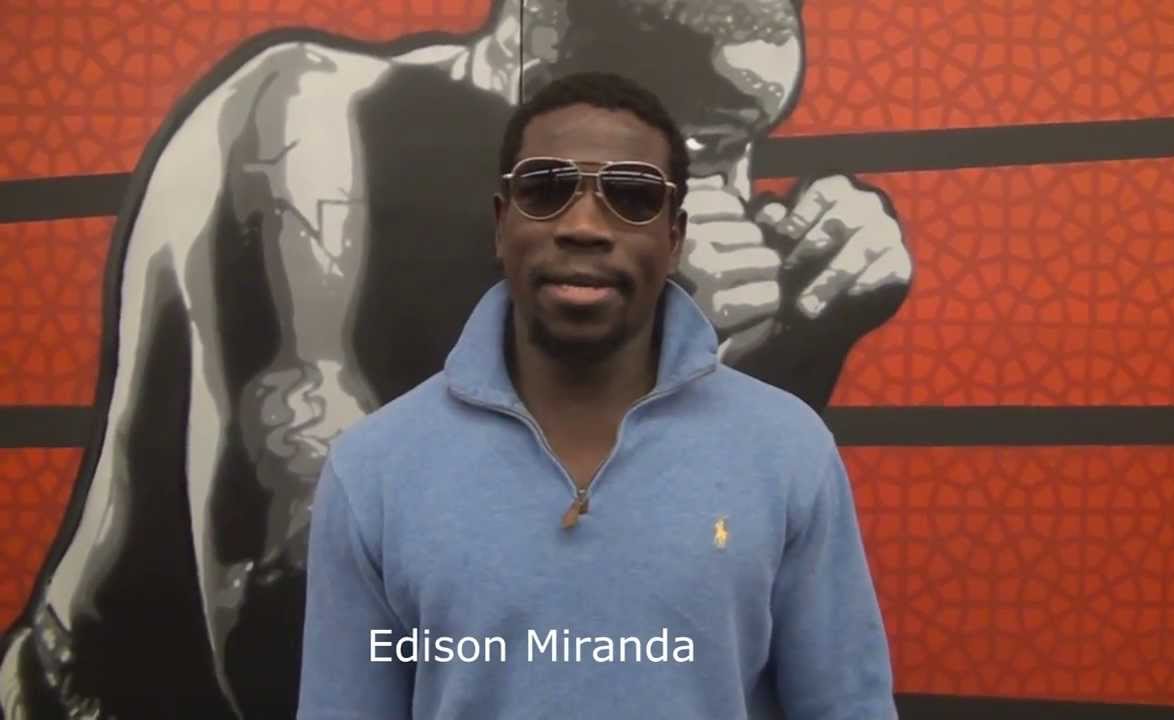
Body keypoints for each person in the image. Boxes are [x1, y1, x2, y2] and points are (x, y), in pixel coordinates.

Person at [1, 1, 911, 717]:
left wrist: (790, 349)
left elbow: (660, 599)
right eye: (701, 150)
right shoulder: (309, 128)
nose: (734, 201)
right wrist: (645, 336)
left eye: (743, 149)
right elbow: (281, 648)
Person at [297, 70, 896, 720]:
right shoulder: (376, 470)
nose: (583, 226)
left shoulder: (788, 451)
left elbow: (847, 707)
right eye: (546, 190)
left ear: (674, 238)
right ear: (501, 225)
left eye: (632, 196)